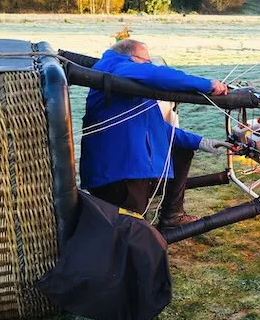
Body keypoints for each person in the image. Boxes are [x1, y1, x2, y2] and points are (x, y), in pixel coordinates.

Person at [79, 39, 231, 227]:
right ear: (132, 57)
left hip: (125, 167)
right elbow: (156, 75)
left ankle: (172, 215)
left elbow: (154, 126)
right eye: (147, 61)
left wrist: (200, 141)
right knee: (132, 233)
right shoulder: (115, 66)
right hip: (120, 172)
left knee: (182, 151)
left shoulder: (124, 84)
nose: (149, 65)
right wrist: (207, 84)